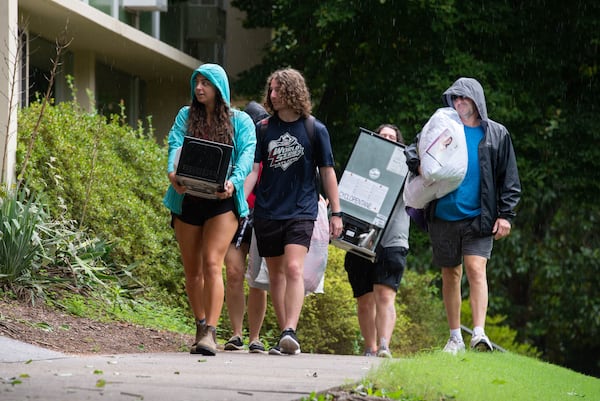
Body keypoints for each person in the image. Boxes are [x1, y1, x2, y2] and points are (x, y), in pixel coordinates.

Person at [405, 77, 521, 354]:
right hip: (444, 214)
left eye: (463, 98)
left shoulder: (496, 134)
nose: (458, 103)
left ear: (476, 100)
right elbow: (414, 148)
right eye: (454, 98)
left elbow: (510, 178)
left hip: (479, 216)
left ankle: (479, 334)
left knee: (475, 269)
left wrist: (506, 215)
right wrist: (418, 165)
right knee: (450, 273)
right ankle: (455, 337)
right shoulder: (444, 127)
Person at [245, 68, 343, 355]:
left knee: (293, 268)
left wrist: (336, 212)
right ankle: (284, 335)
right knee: (275, 275)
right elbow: (254, 170)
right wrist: (240, 198)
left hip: (302, 209)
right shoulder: (263, 128)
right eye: (271, 90)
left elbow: (327, 172)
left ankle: (290, 330)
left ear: (292, 92)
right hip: (267, 210)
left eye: (277, 90)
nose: (272, 95)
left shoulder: (315, 129)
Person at [163, 63, 256, 356]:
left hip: (223, 200)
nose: (199, 88)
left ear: (220, 87)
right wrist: (172, 173)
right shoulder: (185, 115)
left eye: (206, 83)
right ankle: (200, 324)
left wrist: (234, 182)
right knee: (193, 272)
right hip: (187, 199)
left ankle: (210, 333)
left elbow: (246, 155)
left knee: (212, 263)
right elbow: (175, 144)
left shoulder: (240, 121)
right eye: (197, 82)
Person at [344, 124, 411, 358]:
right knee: (364, 299)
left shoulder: (409, 169)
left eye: (392, 137)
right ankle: (370, 348)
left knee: (385, 295)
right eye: (382, 136)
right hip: (361, 237)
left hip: (394, 239)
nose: (386, 140)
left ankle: (384, 346)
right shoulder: (362, 164)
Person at [223, 101, 269, 353]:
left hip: (263, 217)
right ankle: (236, 333)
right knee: (233, 272)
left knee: (257, 280)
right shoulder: (234, 147)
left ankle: (255, 336)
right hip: (234, 213)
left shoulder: (270, 147)